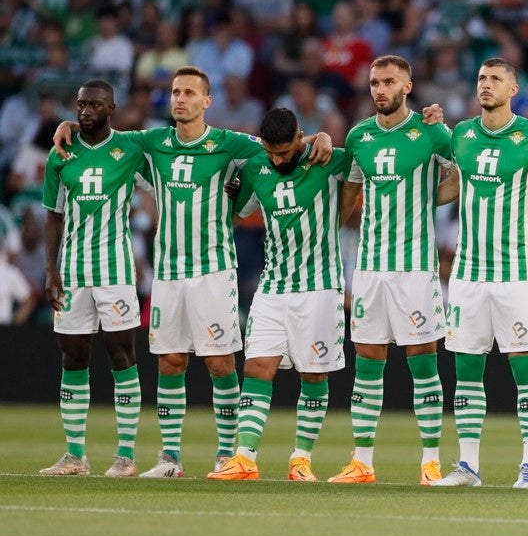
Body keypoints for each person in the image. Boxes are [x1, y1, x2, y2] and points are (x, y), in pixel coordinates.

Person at [51, 66, 333, 477]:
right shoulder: (151, 142)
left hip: (214, 271)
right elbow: (100, 135)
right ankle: (170, 458)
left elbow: (282, 147)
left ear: (207, 101)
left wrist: (320, 138)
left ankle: (226, 454)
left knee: (220, 364)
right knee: (170, 361)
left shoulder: (230, 143)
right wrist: (67, 124)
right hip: (168, 272)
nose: (179, 99)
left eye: (188, 93)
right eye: (174, 92)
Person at [432, 58, 528, 488]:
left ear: (514, 88)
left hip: (517, 273)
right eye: (480, 78)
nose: (486, 85)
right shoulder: (462, 134)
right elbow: (457, 183)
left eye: (495, 79)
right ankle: (468, 467)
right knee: (467, 370)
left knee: (524, 368)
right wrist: (410, 199)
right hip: (468, 274)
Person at [329, 55, 455, 485]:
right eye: (374, 82)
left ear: (407, 86)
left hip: (416, 268)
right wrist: (330, 236)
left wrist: (428, 200)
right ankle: (362, 461)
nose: (380, 90)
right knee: (367, 359)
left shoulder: (432, 131)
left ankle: (431, 461)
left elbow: (463, 172)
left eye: (388, 82)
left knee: (423, 360)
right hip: (369, 268)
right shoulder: (359, 136)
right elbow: (349, 190)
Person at [208, 108, 352, 481]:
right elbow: (238, 211)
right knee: (257, 367)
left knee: (314, 376)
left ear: (300, 138)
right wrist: (233, 192)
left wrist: (326, 136)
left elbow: (364, 164)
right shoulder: (257, 166)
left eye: (284, 152)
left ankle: (301, 459)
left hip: (320, 286)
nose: (277, 159)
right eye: (272, 152)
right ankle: (244, 457)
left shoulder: (328, 158)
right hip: (273, 286)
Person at [39, 80, 146, 477]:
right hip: (72, 271)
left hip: (115, 271)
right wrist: (51, 269)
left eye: (95, 105)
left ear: (112, 108)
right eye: (81, 104)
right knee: (73, 357)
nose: (85, 111)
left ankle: (125, 456)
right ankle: (74, 456)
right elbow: (53, 214)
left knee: (122, 356)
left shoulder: (132, 147)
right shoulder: (61, 154)